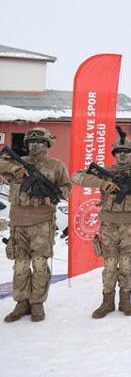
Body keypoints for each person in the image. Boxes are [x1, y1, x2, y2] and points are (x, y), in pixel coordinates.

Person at [71, 127, 131, 318]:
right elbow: (76, 177)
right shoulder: (105, 173)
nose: (122, 155)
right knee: (110, 264)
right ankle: (107, 301)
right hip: (109, 224)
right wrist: (102, 184)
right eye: (119, 152)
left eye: (126, 152)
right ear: (114, 154)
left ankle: (125, 301)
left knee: (126, 264)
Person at [0, 127, 71, 322]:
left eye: (40, 142)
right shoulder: (15, 162)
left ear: (47, 144)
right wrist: (13, 168)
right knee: (20, 265)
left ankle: (37, 302)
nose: (35, 145)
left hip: (42, 222)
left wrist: (57, 195)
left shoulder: (56, 165)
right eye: (31, 142)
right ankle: (21, 303)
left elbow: (67, 187)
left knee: (40, 264)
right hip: (18, 222)